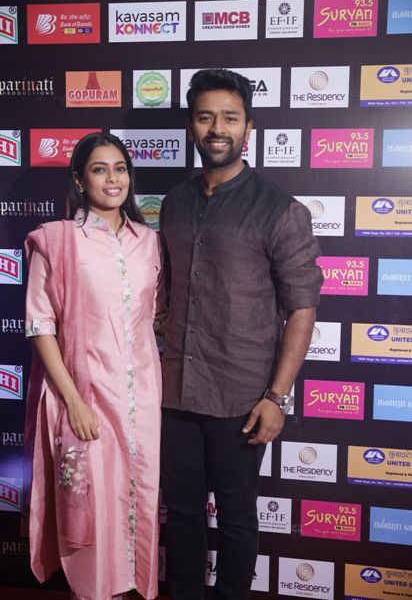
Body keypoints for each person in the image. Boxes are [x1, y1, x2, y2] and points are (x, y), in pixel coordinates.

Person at [159, 69, 323, 600]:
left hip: (242, 398)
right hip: (174, 391)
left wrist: (277, 397)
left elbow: (302, 308)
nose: (217, 129)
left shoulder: (280, 210)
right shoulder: (174, 203)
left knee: (236, 515)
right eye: (205, 117)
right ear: (191, 126)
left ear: (248, 128)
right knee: (182, 511)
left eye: (229, 118)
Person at [24, 132, 163, 600]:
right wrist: (74, 401)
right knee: (91, 500)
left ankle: (128, 588)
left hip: (142, 399)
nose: (112, 178)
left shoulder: (150, 242)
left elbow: (153, 317)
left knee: (137, 493)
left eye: (120, 168)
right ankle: (92, 592)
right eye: (100, 169)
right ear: (80, 180)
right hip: (85, 395)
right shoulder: (57, 241)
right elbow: (41, 327)